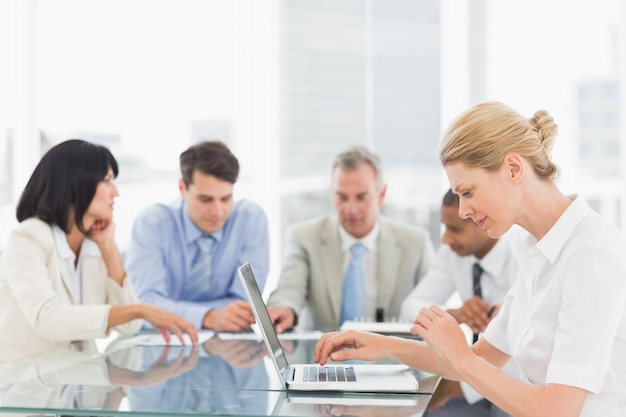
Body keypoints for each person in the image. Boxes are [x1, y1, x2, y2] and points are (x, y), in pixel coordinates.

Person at [315, 102, 626, 416]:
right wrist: (384, 345)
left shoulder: (591, 256)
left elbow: (557, 410)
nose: (463, 211)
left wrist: (461, 356)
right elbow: (482, 357)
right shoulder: (535, 251)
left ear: (514, 169)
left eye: (468, 192)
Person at [0, 139, 198, 362]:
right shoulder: (29, 238)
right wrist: (140, 310)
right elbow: (48, 319)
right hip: (26, 388)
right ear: (75, 185)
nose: (116, 193)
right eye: (107, 181)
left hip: (74, 385)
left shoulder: (93, 243)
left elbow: (129, 327)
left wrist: (108, 247)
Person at [267, 145, 434, 332]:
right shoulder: (304, 238)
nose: (351, 209)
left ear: (381, 195)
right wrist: (284, 309)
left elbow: (432, 306)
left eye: (362, 197)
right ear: (331, 193)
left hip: (389, 358)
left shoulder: (415, 243)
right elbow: (289, 289)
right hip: (323, 356)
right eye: (342, 197)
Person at [400, 188, 523, 416]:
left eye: (455, 229)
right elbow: (409, 307)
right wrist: (452, 315)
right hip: (473, 374)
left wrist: (455, 385)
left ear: (483, 222)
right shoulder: (454, 253)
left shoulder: (522, 253)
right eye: (445, 227)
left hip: (514, 384)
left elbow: (525, 353)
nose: (446, 239)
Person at [126, 141, 270, 332]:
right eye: (205, 199)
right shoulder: (153, 224)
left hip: (230, 346)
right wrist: (209, 317)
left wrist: (173, 310)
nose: (217, 212)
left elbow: (243, 307)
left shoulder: (250, 220)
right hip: (161, 345)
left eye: (226, 198)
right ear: (182, 188)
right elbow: (144, 305)